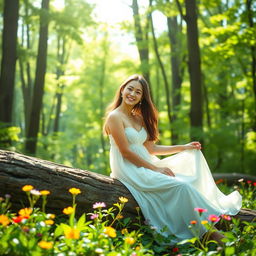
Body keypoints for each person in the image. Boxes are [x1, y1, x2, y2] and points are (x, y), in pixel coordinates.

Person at [103, 74, 242, 245]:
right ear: (122, 89)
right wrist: (156, 170)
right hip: (128, 167)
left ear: (142, 97)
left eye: (138, 92)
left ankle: (209, 226)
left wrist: (183, 147)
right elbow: (125, 152)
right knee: (181, 186)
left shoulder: (138, 117)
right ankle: (211, 233)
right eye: (130, 89)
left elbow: (151, 149)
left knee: (187, 175)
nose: (132, 93)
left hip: (146, 162)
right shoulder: (114, 117)